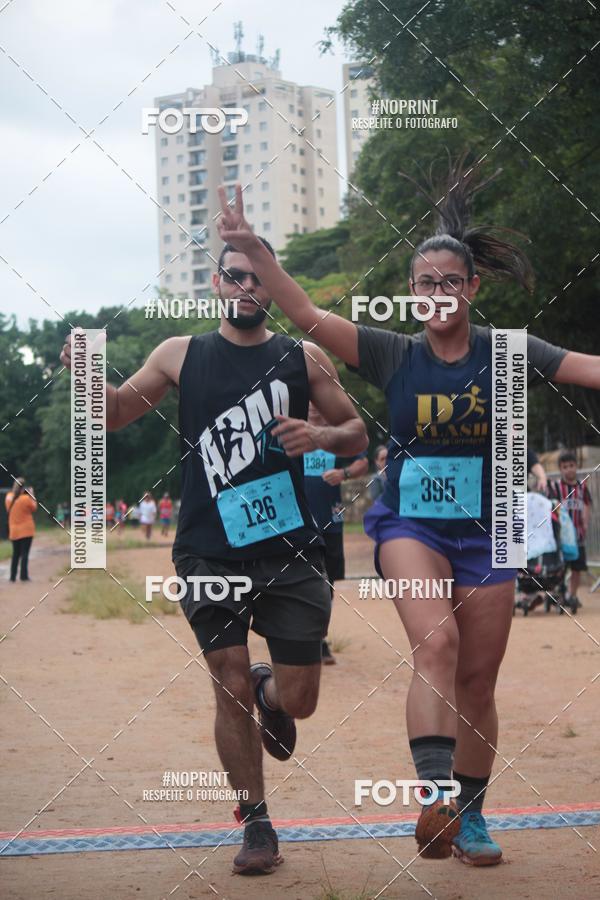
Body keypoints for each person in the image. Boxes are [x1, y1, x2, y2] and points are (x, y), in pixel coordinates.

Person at [216, 169, 600, 867]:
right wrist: (257, 253)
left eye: (450, 282)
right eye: (424, 284)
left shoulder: (508, 355)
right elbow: (307, 316)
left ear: (470, 288)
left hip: (493, 532)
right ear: (411, 291)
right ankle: (437, 799)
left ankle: (473, 818)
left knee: (478, 682)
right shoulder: (392, 354)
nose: (436, 295)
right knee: (438, 650)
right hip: (412, 527)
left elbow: (589, 368)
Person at [60, 225, 367, 877]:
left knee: (302, 697)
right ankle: (256, 824)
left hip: (289, 551)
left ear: (271, 288)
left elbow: (355, 431)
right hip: (209, 550)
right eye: (234, 274)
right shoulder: (181, 354)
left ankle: (273, 695)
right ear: (215, 283)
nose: (245, 285)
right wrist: (86, 373)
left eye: (257, 276)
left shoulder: (302, 360)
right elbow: (114, 412)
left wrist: (317, 431)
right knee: (225, 679)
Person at [303, 402, 369, 664]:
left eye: (319, 404)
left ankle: (319, 637)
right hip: (299, 522)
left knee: (326, 580)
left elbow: (362, 461)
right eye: (308, 403)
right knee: (299, 577)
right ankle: (301, 638)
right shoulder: (296, 434)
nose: (314, 409)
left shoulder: (337, 436)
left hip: (331, 519)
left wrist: (343, 473)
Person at [547, 450, 592, 608]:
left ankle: (572, 595)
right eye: (565, 467)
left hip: (578, 534)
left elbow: (587, 504)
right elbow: (550, 505)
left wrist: (585, 523)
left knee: (577, 567)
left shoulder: (582, 486)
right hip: (562, 536)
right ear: (560, 469)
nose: (569, 469)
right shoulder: (556, 487)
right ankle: (557, 593)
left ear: (576, 466)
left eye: (571, 466)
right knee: (560, 568)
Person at [5, 478, 37, 582]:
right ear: (23, 488)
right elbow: (34, 507)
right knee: (24, 554)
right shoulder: (26, 499)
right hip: (26, 530)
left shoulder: (8, 497)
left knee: (15, 554)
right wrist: (31, 494)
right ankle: (23, 576)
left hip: (14, 530)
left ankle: (12, 576)